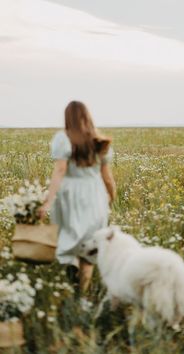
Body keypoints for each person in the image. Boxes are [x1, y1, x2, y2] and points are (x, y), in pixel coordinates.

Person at [39, 101, 116, 293]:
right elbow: (107, 177)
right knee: (89, 242)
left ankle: (71, 264)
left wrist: (48, 200)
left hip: (68, 194)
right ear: (88, 116)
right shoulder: (99, 141)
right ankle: (82, 295)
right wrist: (111, 196)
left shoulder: (63, 138)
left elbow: (60, 170)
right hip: (94, 194)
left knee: (69, 233)